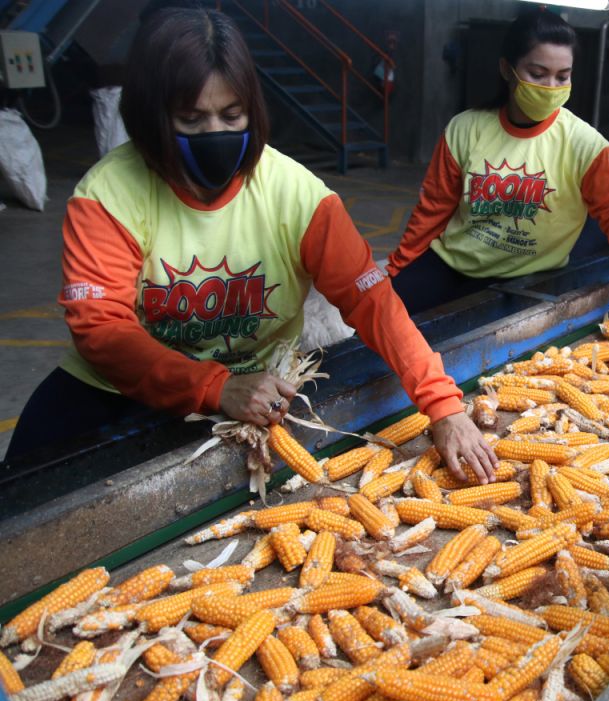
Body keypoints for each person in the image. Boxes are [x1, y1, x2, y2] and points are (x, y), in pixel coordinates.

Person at [5, 7, 497, 483]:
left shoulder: (296, 195)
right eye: (191, 120)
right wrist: (214, 386)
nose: (214, 134)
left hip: (259, 389)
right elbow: (102, 330)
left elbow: (372, 302)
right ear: (152, 117)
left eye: (231, 115)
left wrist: (443, 405)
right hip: (120, 390)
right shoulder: (108, 196)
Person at [388, 9, 609, 337]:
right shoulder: (465, 129)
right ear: (507, 69)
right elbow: (430, 214)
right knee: (379, 335)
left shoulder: (587, 146)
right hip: (452, 266)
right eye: (538, 73)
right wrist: (391, 276)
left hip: (528, 281)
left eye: (562, 76)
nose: (551, 86)